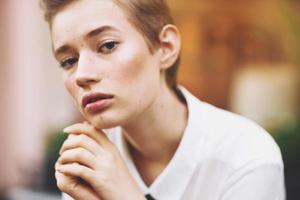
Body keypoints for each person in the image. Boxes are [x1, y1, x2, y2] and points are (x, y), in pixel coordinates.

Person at [40, 0, 285, 199]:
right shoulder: (90, 161)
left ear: (165, 47)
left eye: (107, 45)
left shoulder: (246, 156)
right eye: (68, 61)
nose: (82, 74)